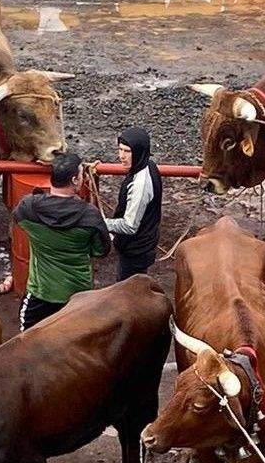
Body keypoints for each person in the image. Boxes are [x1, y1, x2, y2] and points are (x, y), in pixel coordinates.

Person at [13, 151, 111, 332]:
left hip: (40, 295)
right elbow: (101, 251)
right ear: (75, 180)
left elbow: (17, 219)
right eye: (81, 174)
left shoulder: (28, 208)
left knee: (27, 344)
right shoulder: (90, 215)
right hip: (78, 296)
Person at [104, 126, 161, 280]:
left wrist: (102, 223)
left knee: (126, 294)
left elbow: (129, 226)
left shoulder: (139, 185)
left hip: (136, 251)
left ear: (139, 151)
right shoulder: (149, 165)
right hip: (144, 243)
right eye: (120, 149)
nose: (121, 156)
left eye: (127, 151)